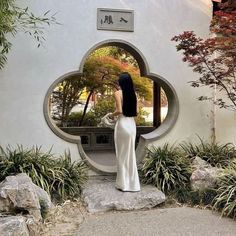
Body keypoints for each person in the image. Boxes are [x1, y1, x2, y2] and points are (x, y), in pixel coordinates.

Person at [109, 72, 141, 192]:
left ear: (121, 82)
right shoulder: (134, 94)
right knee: (130, 154)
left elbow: (119, 110)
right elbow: (136, 111)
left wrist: (110, 115)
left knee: (122, 155)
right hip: (131, 125)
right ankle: (133, 185)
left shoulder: (117, 93)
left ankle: (123, 184)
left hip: (122, 125)